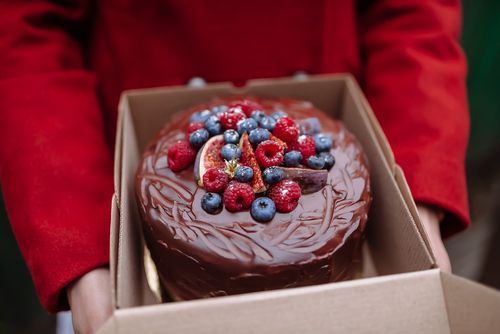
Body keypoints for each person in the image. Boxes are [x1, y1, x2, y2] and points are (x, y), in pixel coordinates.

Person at [0, 1, 469, 333]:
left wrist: (417, 198)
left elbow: (415, 18)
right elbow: (27, 32)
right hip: (104, 188)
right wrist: (82, 255)